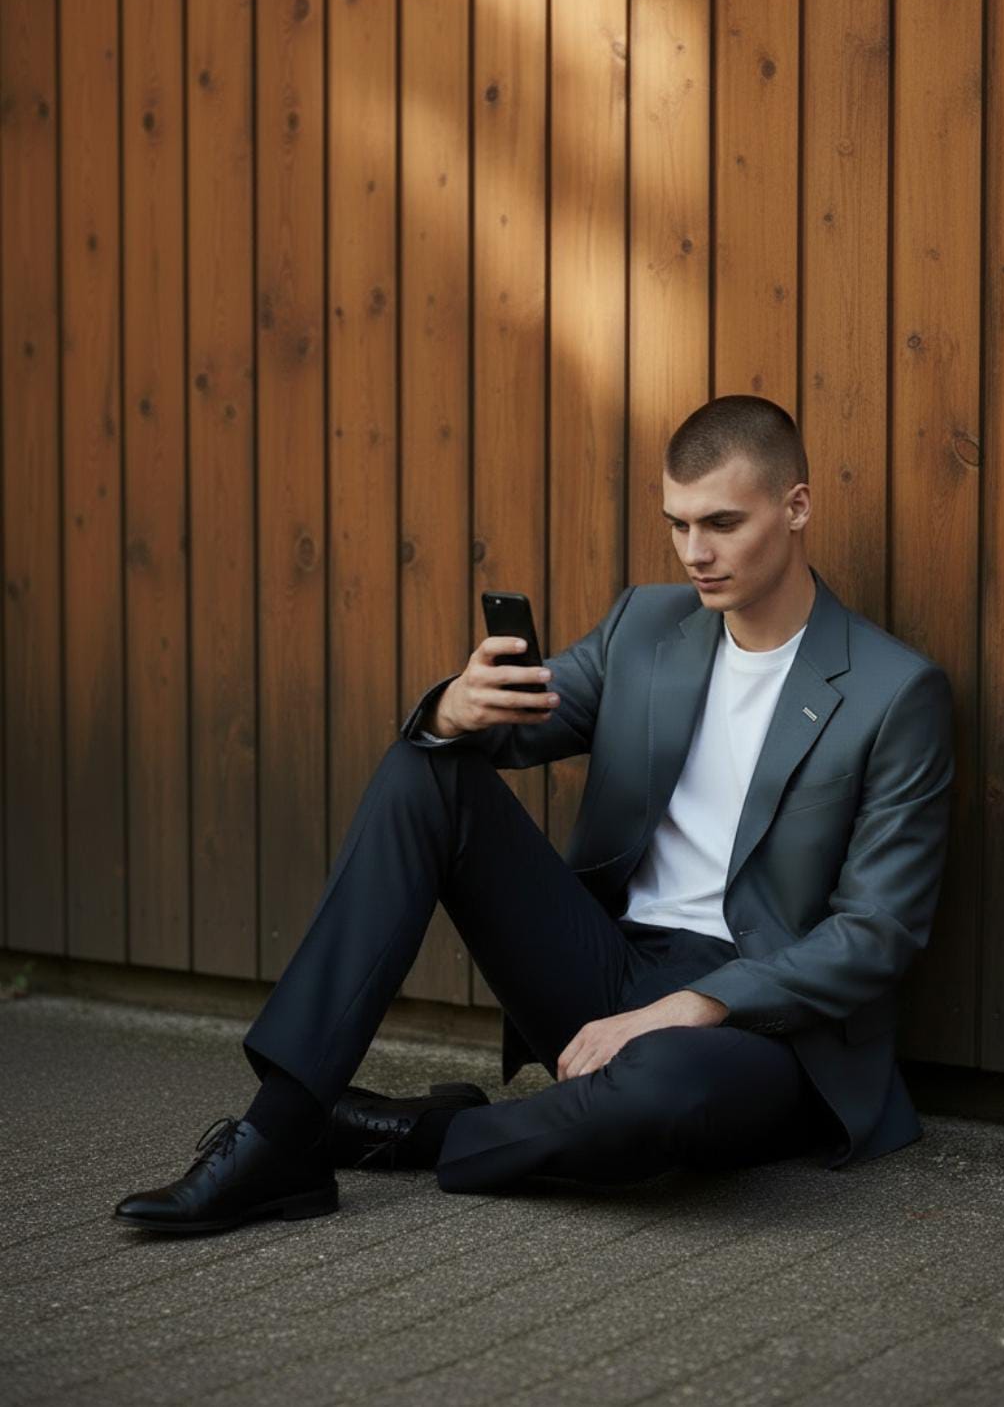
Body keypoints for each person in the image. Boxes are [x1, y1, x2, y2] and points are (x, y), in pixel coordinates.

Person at [113, 394, 955, 1235]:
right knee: (425, 770)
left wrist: (697, 1003)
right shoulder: (645, 627)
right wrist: (456, 708)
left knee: (659, 1097)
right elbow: (520, 725)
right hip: (609, 969)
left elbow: (877, 932)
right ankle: (281, 1130)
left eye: (722, 524)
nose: (695, 554)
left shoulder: (892, 692)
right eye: (678, 524)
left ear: (797, 506)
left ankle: (411, 1133)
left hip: (761, 1025)